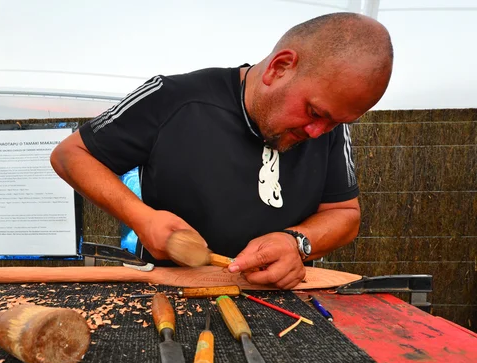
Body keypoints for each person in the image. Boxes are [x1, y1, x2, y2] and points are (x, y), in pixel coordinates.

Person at [51, 12, 394, 289]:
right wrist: (142, 218)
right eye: (315, 113)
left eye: (336, 122)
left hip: (280, 304)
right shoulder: (172, 98)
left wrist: (297, 242)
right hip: (170, 294)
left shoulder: (329, 125)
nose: (318, 132)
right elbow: (70, 154)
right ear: (279, 68)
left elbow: (344, 214)